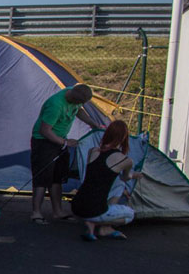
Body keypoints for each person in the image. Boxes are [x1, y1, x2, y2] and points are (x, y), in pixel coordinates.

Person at [30, 83, 107, 223]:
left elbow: (79, 110)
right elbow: (44, 130)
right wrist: (64, 142)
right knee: (42, 178)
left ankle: (57, 211)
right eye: (78, 103)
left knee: (57, 178)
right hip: (44, 142)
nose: (78, 106)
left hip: (60, 141)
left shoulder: (73, 95)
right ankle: (36, 212)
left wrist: (92, 123)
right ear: (72, 98)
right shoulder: (55, 105)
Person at [71, 120, 142, 241]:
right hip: (94, 211)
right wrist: (137, 175)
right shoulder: (125, 160)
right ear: (124, 138)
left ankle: (94, 224)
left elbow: (99, 173)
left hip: (77, 206)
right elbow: (125, 177)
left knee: (118, 184)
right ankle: (101, 226)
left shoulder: (93, 151)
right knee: (130, 215)